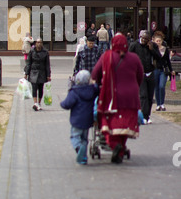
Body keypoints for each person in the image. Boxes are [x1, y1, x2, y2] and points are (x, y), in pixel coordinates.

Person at [91, 33, 144, 164]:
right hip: (131, 97)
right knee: (125, 125)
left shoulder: (106, 56)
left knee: (108, 123)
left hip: (111, 97)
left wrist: (97, 85)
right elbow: (140, 75)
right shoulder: (134, 58)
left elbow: (94, 74)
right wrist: (134, 86)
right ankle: (120, 149)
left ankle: (114, 145)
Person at [60, 70, 99, 165]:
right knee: (84, 139)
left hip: (77, 120)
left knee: (75, 137)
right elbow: (98, 90)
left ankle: (78, 148)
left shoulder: (75, 92)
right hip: (88, 120)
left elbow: (67, 104)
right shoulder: (92, 90)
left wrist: (62, 103)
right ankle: (83, 158)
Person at [129, 31, 161, 124]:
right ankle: (143, 116)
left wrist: (151, 49)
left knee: (150, 96)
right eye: (142, 39)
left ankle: (148, 116)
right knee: (143, 95)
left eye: (146, 40)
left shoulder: (152, 46)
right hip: (139, 73)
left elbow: (159, 57)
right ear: (139, 37)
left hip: (150, 72)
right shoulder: (134, 45)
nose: (143, 41)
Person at [24, 38, 51, 111]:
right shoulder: (32, 51)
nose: (39, 44)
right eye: (37, 42)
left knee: (41, 88)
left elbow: (47, 64)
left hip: (42, 72)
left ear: (42, 43)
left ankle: (39, 103)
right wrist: (26, 73)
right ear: (35, 43)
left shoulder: (45, 52)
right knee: (34, 87)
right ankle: (35, 103)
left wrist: (48, 75)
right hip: (33, 72)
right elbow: (28, 63)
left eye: (40, 42)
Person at [152, 31, 175, 111]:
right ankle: (158, 104)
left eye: (159, 41)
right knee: (156, 87)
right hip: (155, 70)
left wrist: (171, 70)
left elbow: (168, 61)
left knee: (162, 86)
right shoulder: (153, 50)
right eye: (156, 41)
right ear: (154, 41)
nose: (158, 42)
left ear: (162, 41)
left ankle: (162, 103)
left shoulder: (166, 50)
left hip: (163, 70)